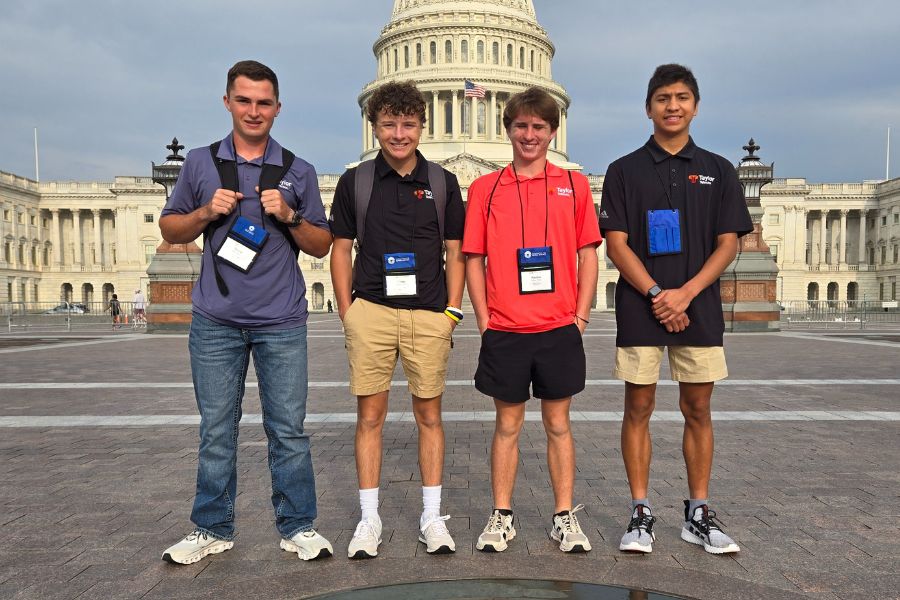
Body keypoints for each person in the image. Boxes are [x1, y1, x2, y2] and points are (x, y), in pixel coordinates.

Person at [158, 60, 334, 564]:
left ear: (277, 108)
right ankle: (211, 527)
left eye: (263, 102)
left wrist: (291, 214)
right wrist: (204, 212)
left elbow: (322, 244)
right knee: (216, 429)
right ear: (227, 102)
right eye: (244, 100)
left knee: (289, 430)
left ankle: (298, 525)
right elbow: (172, 230)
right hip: (216, 320)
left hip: (280, 320)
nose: (253, 110)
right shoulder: (198, 163)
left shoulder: (298, 170)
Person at [599, 64, 752, 555]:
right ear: (649, 107)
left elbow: (728, 243)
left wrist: (683, 294)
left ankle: (697, 511)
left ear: (695, 106)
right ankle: (640, 510)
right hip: (642, 303)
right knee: (638, 407)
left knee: (698, 408)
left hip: (698, 304)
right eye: (663, 98)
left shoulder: (719, 168)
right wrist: (657, 296)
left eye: (682, 97)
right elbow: (616, 246)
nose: (672, 106)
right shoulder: (624, 169)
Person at [329, 80, 465, 558]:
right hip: (373, 313)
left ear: (422, 126)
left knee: (430, 416)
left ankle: (432, 515)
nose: (399, 133)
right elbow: (340, 248)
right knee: (370, 417)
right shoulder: (356, 182)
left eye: (408, 124)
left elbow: (456, 251)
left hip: (429, 314)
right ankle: (370, 519)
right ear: (375, 126)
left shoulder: (445, 184)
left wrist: (451, 311)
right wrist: (349, 313)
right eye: (389, 124)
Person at [463, 87, 601, 554]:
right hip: (505, 329)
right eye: (521, 126)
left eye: (538, 127)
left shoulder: (574, 185)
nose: (529, 135)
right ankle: (502, 514)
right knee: (507, 426)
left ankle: (565, 514)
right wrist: (484, 321)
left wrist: (580, 317)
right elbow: (473, 260)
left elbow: (588, 255)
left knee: (559, 424)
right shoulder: (484, 188)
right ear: (508, 130)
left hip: (558, 327)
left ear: (551, 131)